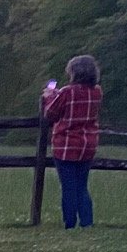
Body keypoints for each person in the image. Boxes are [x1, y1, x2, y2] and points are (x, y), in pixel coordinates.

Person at [42, 55, 102, 229]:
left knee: (68, 186)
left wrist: (49, 97)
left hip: (66, 145)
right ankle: (87, 222)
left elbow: (51, 114)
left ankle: (70, 223)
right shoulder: (97, 91)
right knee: (82, 186)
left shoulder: (67, 92)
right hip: (87, 145)